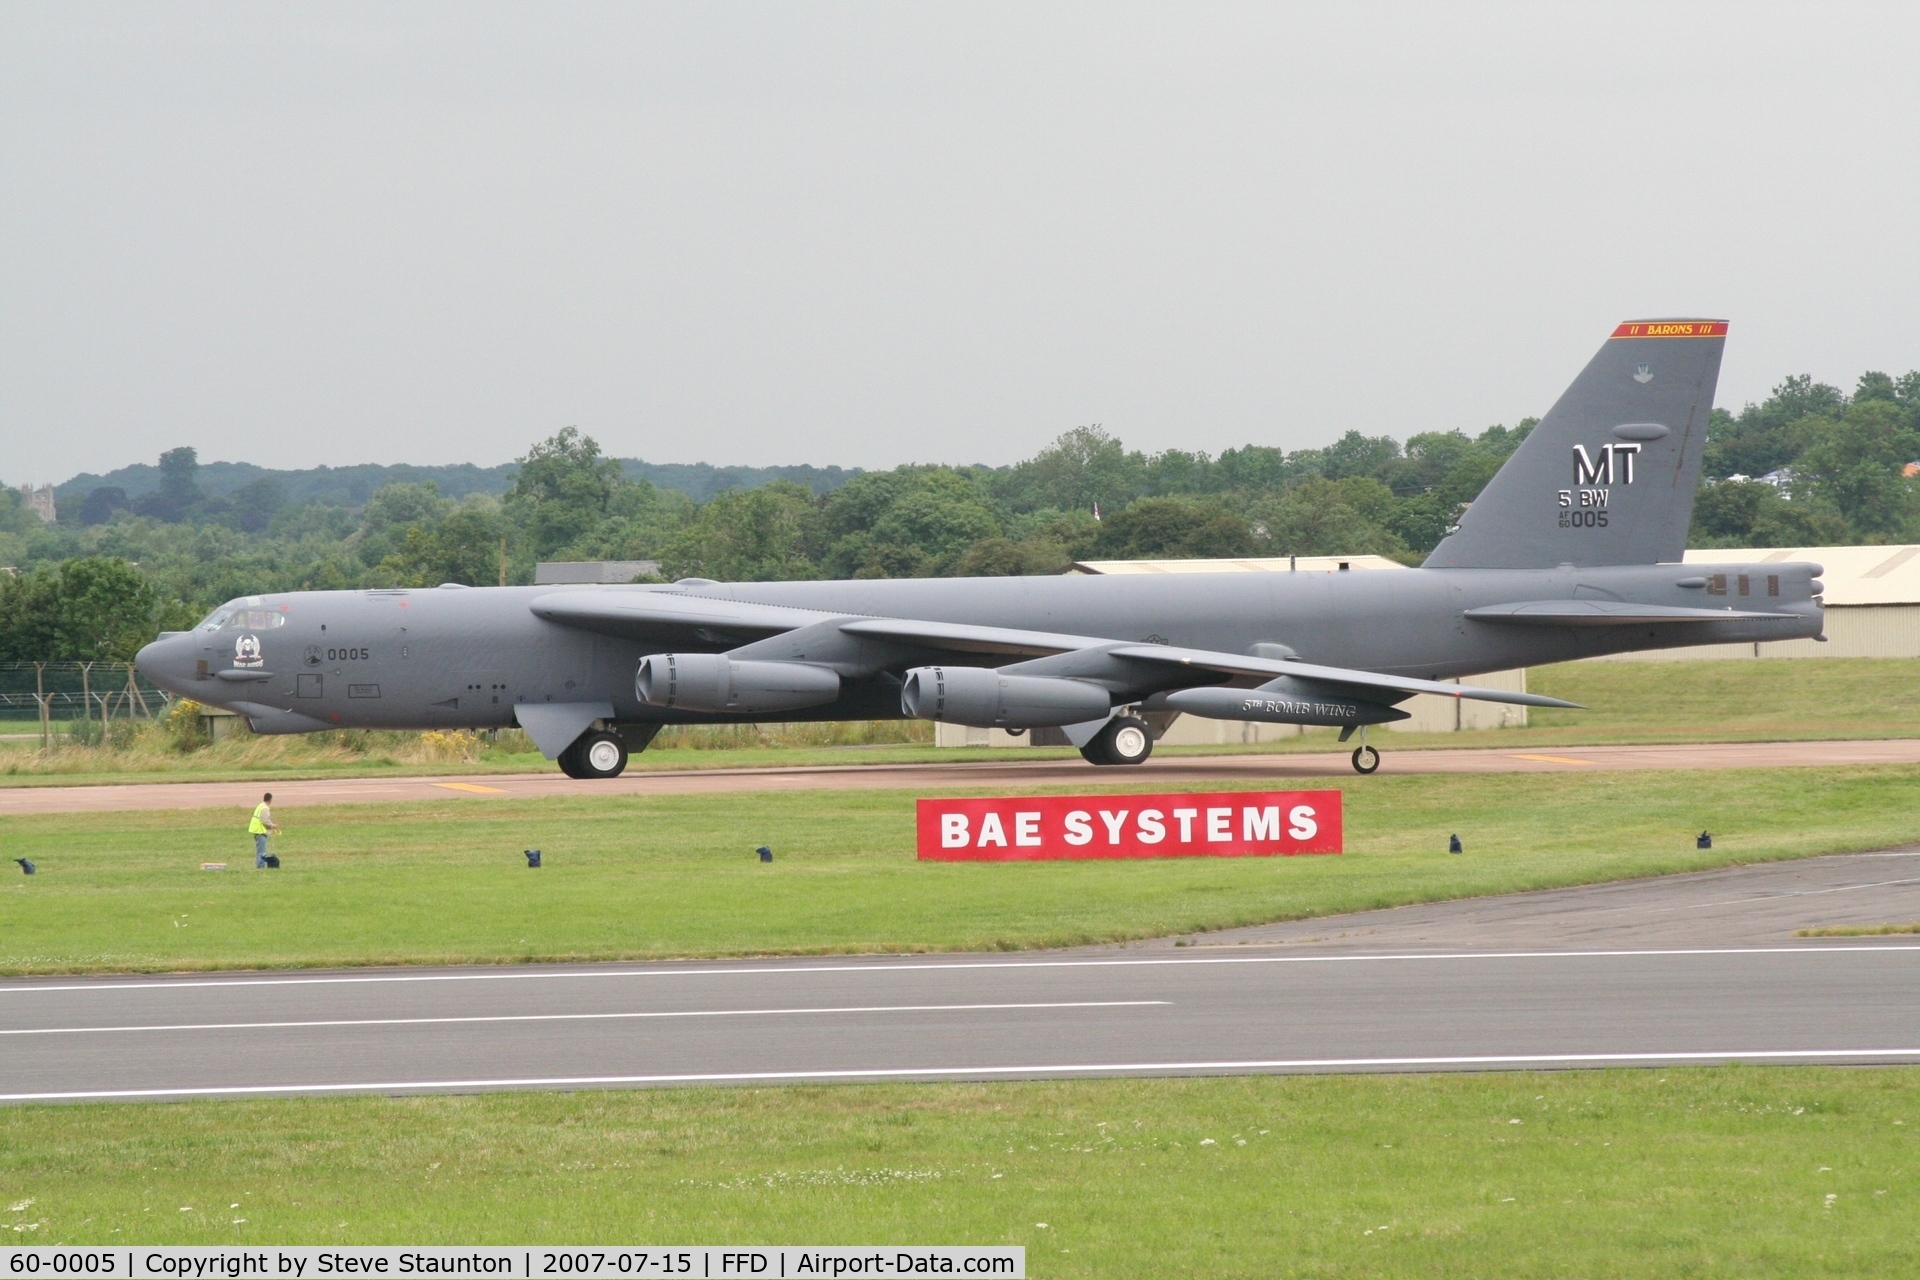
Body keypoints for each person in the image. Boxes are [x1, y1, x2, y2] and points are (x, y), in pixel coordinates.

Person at [249, 792, 279, 868]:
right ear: (270, 800)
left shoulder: (260, 806)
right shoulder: (265, 808)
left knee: (260, 851)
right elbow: (265, 821)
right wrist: (273, 826)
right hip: (261, 832)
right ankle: (260, 867)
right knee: (262, 852)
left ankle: (260, 866)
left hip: (257, 831)